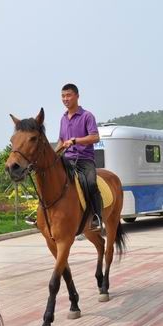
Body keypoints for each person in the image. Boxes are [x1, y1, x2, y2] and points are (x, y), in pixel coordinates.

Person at [58, 83, 103, 231]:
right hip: (67, 159)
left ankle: (97, 216)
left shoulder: (87, 116)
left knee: (90, 183)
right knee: (50, 178)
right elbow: (61, 140)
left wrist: (75, 140)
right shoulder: (63, 118)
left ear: (77, 96)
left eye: (69, 95)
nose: (65, 99)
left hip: (85, 159)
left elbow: (95, 137)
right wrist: (54, 153)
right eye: (63, 96)